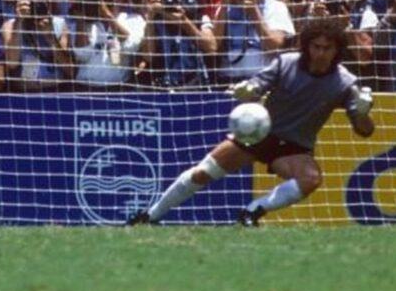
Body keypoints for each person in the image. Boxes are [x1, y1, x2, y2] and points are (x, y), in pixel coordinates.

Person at [128, 18, 375, 227]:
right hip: (258, 133)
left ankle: (253, 211)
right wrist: (248, 91)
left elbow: (364, 131)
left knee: (311, 179)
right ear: (307, 46)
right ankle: (150, 216)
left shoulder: (345, 82)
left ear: (337, 51)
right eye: (316, 46)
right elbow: (256, 87)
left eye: (327, 48)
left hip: (294, 146)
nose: (320, 53)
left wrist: (363, 114)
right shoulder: (285, 63)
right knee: (203, 173)